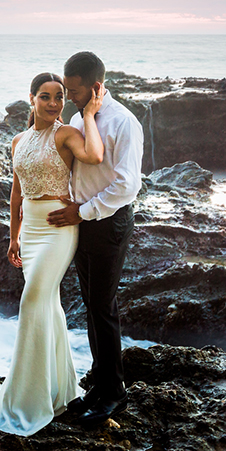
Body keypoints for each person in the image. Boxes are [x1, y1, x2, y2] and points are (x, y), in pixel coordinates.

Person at [0, 72, 104, 436]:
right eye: (46, 96)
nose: (53, 103)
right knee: (48, 306)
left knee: (32, 303)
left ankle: (26, 399)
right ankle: (60, 392)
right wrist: (13, 237)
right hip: (31, 230)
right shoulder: (18, 140)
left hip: (58, 228)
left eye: (59, 97)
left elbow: (96, 156)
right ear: (32, 99)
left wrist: (88, 116)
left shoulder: (67, 134)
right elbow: (16, 194)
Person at [47, 51, 144, 428]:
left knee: (102, 306)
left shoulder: (124, 122)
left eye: (73, 90)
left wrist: (82, 212)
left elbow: (127, 186)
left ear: (96, 86)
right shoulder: (77, 118)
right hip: (84, 221)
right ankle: (101, 383)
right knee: (91, 304)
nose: (68, 97)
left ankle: (114, 393)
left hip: (109, 222)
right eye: (67, 90)